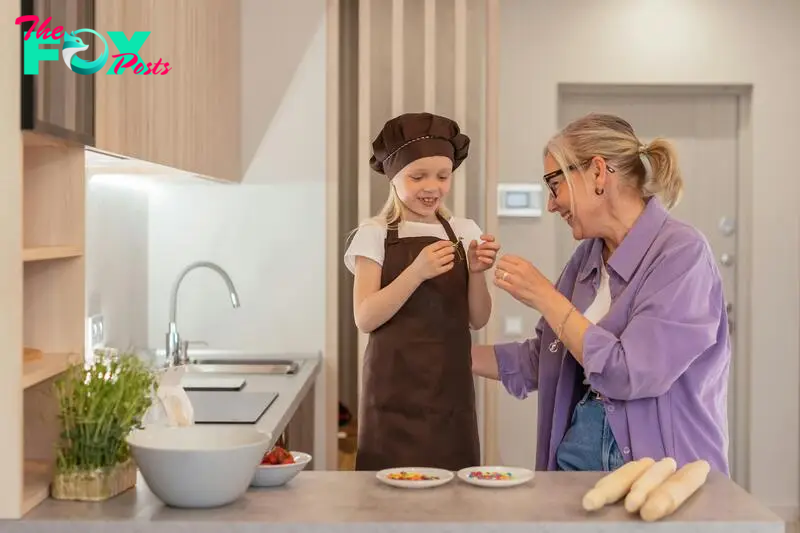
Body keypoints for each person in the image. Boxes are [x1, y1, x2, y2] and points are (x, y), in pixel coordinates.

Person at [472, 112, 731, 475]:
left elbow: (632, 372)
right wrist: (452, 356)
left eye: (554, 184)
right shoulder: (587, 258)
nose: (551, 203)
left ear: (597, 172)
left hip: (660, 475)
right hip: (578, 461)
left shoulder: (682, 253)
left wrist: (545, 296)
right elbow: (545, 356)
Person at [344, 112, 501, 471]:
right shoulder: (375, 234)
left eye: (443, 176)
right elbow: (365, 317)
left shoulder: (463, 230)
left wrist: (476, 272)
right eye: (418, 176)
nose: (432, 187)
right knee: (387, 505)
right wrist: (416, 272)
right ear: (393, 178)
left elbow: (478, 319)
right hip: (390, 400)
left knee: (453, 505)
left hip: (451, 399)